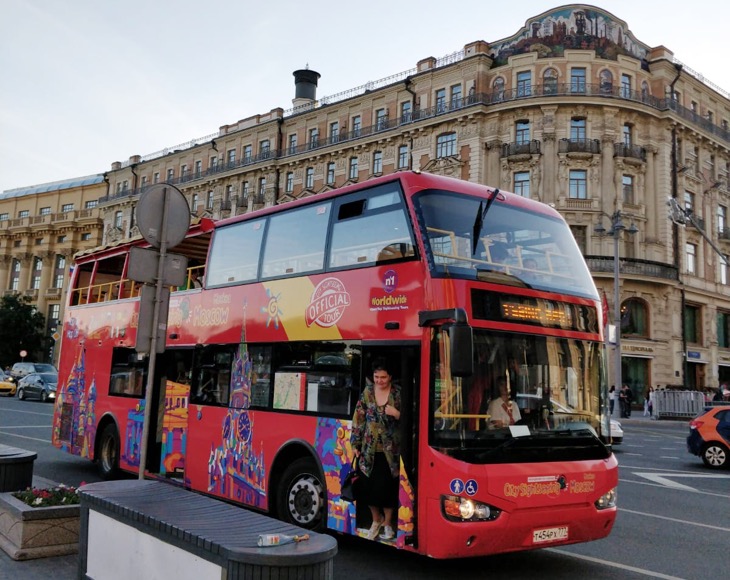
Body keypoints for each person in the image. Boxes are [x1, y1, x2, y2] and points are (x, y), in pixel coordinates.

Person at [350, 359, 401, 541]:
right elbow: (358, 418)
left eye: (383, 377)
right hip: (368, 449)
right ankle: (376, 520)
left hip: (390, 451)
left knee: (387, 488)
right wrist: (355, 444)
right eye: (376, 377)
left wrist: (397, 414)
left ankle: (388, 524)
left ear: (390, 377)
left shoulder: (398, 393)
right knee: (368, 487)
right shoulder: (367, 393)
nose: (379, 380)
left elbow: (411, 419)